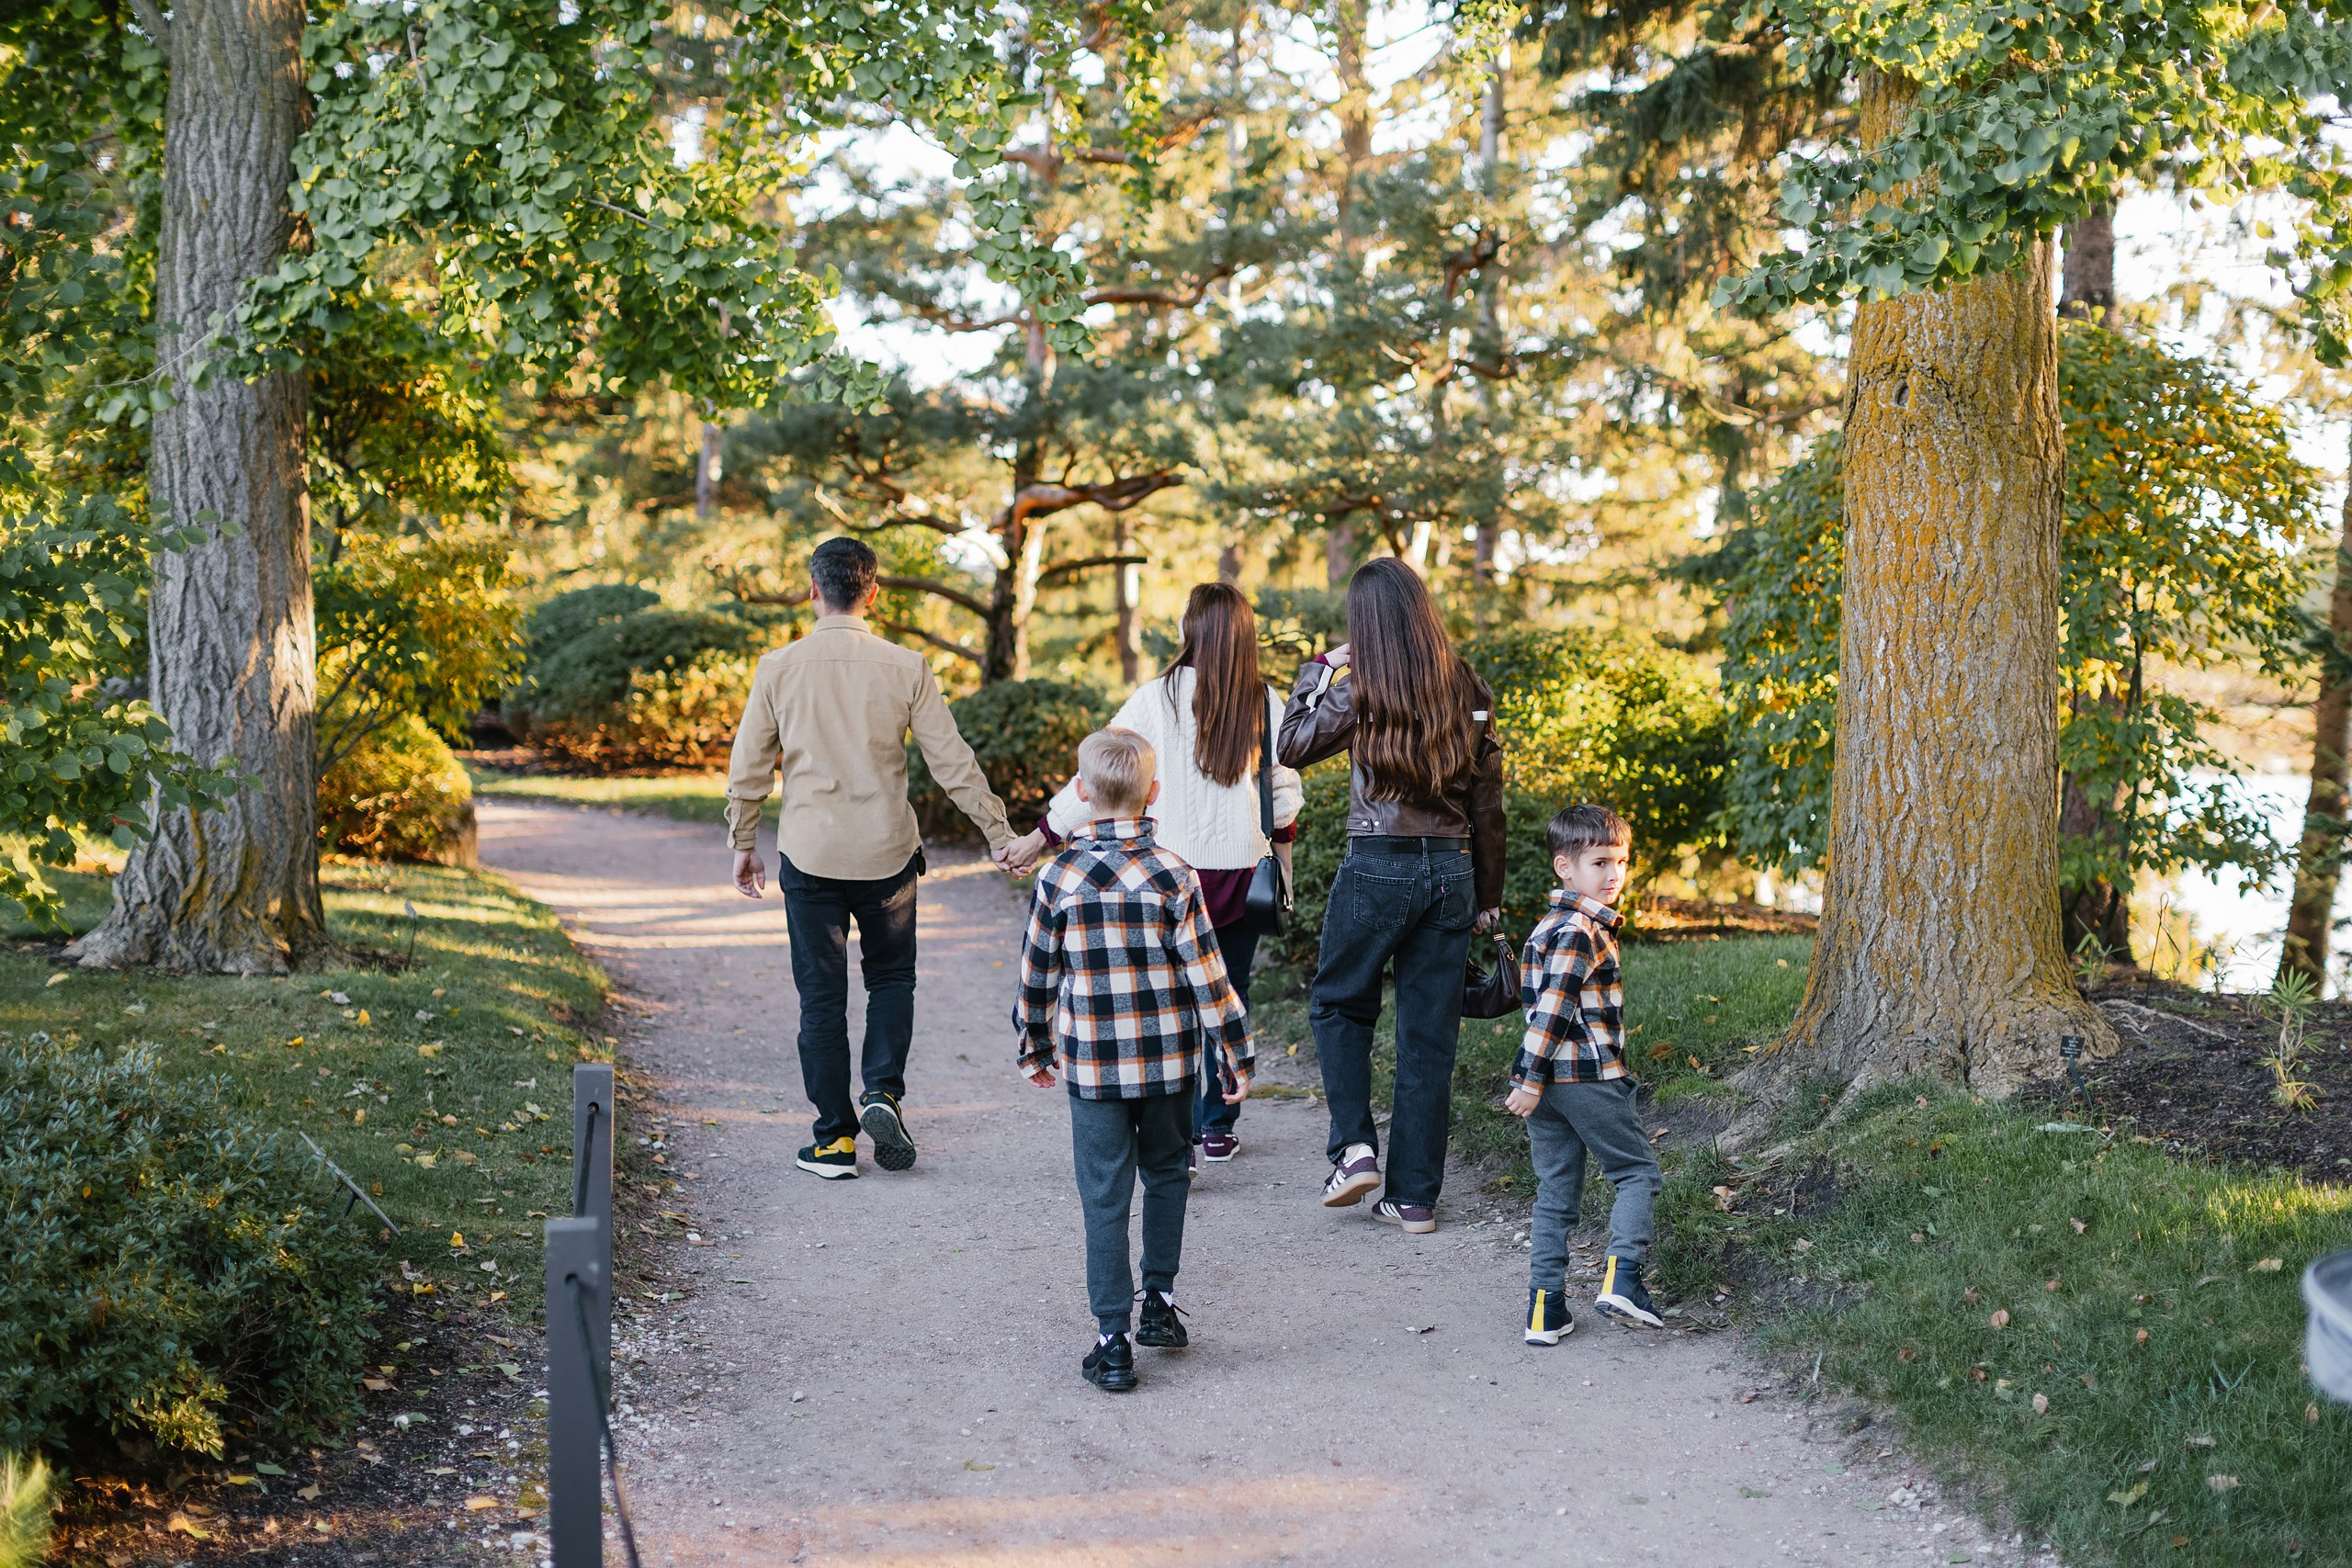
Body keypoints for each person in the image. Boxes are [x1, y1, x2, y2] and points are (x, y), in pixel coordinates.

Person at [725, 536, 1015, 1180]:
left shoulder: (778, 666)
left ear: (812, 590)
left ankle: (832, 1142)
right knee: (890, 980)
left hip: (810, 852)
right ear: (873, 593)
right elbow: (951, 760)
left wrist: (744, 842)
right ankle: (882, 1091)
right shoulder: (906, 665)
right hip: (886, 854)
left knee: (821, 998)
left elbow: (749, 769)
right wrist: (996, 830)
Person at [999, 582, 1301, 1170]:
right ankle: (1218, 1127)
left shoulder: (1155, 697)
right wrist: (1283, 863)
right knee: (1224, 993)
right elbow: (1283, 798)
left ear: (1191, 631)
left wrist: (1041, 836)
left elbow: (1102, 773)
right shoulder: (1265, 701)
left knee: (1173, 1003)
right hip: (1240, 876)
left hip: (1163, 873)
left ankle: (1180, 1136)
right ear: (1245, 636)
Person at [1014, 728, 1253, 1393]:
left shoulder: (1057, 876)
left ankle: (1111, 1338)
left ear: (1082, 793)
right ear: (1153, 793)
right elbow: (1210, 976)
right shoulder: (1175, 874)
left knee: (1103, 1193)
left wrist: (1034, 1043)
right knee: (1168, 1173)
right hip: (1170, 1066)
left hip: (1093, 1071)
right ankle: (1159, 1301)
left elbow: (1037, 975)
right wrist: (1235, 1052)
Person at [1278, 558, 1504, 1235]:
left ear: (1365, 626)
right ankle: (1413, 1198)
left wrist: (1322, 665)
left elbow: (1289, 745)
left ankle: (1353, 1150)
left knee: (1339, 1001)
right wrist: (1488, 894)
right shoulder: (1468, 685)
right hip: (1454, 871)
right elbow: (1488, 803)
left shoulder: (1361, 690)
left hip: (1378, 862)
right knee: (1428, 1034)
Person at [1507, 804, 1665, 1341]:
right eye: (1600, 862)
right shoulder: (1581, 929)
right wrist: (1526, 1077)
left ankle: (1544, 1309)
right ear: (1565, 867)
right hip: (1587, 1078)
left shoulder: (1548, 926)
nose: (1614, 874)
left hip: (1550, 1089)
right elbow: (1553, 1007)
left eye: (1621, 861)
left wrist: (1534, 1082)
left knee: (1556, 1193)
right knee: (1637, 1173)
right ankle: (1624, 1279)